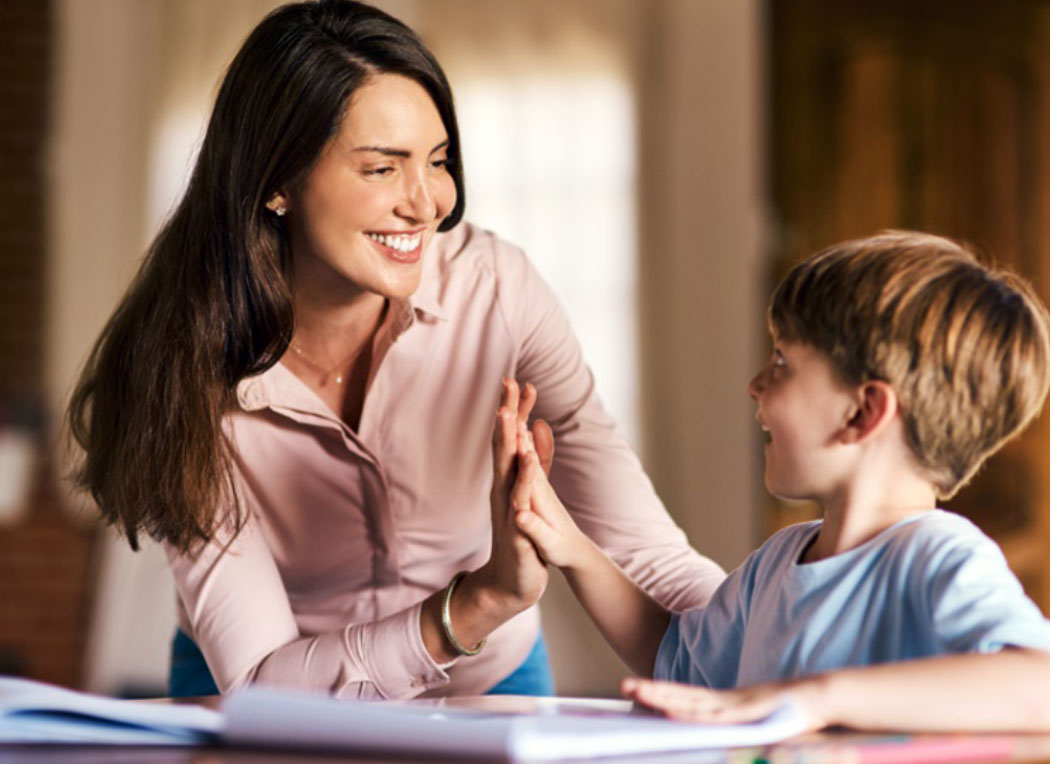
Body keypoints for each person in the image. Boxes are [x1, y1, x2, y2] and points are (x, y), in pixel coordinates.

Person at [66, 0, 724, 699]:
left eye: (437, 161)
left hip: (485, 677)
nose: (427, 202)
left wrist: (788, 650)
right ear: (277, 183)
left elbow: (647, 554)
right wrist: (479, 603)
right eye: (382, 168)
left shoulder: (497, 292)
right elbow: (261, 680)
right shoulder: (172, 368)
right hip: (263, 681)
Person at [506, 231, 1050, 732]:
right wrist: (573, 548)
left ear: (862, 413)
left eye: (781, 361)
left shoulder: (937, 555)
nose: (757, 384)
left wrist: (815, 699)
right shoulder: (777, 564)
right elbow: (677, 660)